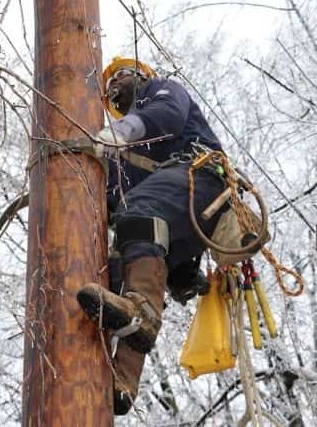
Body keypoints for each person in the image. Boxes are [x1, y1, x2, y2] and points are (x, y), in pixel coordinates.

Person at [76, 56, 228, 415]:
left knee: (139, 211)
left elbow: (169, 113)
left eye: (120, 77)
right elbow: (113, 199)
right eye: (109, 85)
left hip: (204, 181)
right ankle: (123, 380)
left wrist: (123, 130)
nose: (114, 87)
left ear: (142, 76)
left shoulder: (160, 92)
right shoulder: (124, 160)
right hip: (174, 223)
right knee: (118, 267)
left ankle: (141, 313)